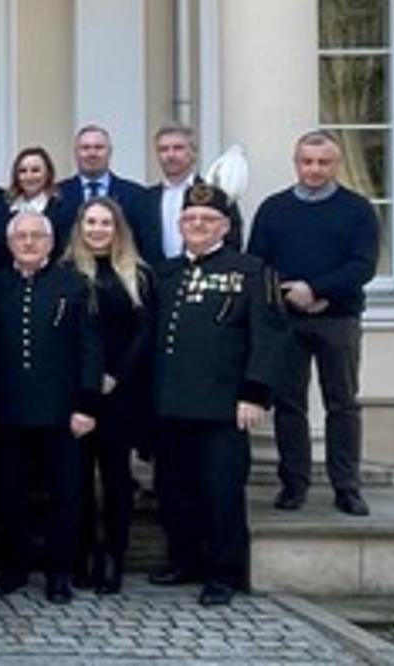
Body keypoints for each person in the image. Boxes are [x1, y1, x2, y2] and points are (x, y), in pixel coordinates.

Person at [148, 183, 289, 606]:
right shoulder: (165, 273)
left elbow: (270, 339)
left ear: (225, 226)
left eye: (207, 220)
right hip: (171, 403)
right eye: (190, 219)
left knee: (221, 492)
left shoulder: (252, 271)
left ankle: (222, 573)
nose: (197, 225)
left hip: (223, 406)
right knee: (174, 488)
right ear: (180, 224)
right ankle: (184, 560)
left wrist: (256, 394)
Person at [248, 131, 381, 517]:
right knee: (288, 405)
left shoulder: (357, 209)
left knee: (342, 404)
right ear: (296, 163)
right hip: (285, 321)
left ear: (336, 164)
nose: (315, 169)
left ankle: (347, 487)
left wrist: (319, 290)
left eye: (323, 162)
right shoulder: (273, 209)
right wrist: (290, 293)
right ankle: (293, 484)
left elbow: (364, 264)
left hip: (338, 318)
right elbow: (258, 263)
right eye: (307, 161)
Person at [0, 211, 102, 605]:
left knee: (64, 495)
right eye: (21, 236)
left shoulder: (75, 285)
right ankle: (14, 568)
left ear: (51, 244)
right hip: (8, 409)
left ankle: (59, 573)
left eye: (37, 236)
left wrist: (86, 404)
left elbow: (91, 349)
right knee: (8, 493)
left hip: (62, 411)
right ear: (10, 242)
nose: (29, 243)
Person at [64, 197, 153, 594]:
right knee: (77, 478)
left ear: (117, 228)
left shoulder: (139, 275)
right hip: (76, 391)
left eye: (105, 223)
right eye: (90, 222)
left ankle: (114, 555)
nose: (97, 229)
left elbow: (144, 334)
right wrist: (87, 377)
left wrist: (115, 374)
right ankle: (81, 554)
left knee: (117, 477)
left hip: (122, 392)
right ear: (80, 228)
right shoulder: (65, 272)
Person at [145, 125, 242, 260]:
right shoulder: (144, 199)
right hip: (157, 277)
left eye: (178, 148)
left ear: (193, 153)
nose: (170, 155)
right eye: (163, 149)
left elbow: (232, 240)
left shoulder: (216, 195)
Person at [58, 124, 151, 245]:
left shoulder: (136, 195)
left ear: (110, 152)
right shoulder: (57, 194)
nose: (92, 153)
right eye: (85, 148)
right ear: (76, 152)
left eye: (99, 147)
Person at [0, 147, 73, 273]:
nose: (29, 176)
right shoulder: (2, 208)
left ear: (48, 173)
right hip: (7, 282)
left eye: (35, 170)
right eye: (23, 171)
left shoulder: (62, 209)